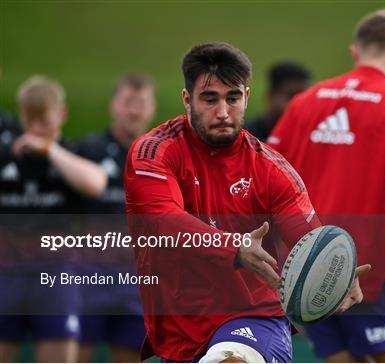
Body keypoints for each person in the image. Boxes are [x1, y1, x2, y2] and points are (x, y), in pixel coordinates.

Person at [124, 42, 370, 363]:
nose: (223, 112)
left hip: (255, 317)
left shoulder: (272, 169)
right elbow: (163, 221)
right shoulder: (153, 154)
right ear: (188, 100)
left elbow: (308, 239)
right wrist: (236, 248)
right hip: (177, 330)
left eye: (233, 98)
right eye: (210, 100)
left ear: (247, 97)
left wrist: (337, 272)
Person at [268, 9, 385, 363]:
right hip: (369, 276)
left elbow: (264, 172)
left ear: (355, 51)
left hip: (306, 271)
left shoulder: (303, 103)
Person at [0, 76, 106, 362]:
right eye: (29, 120)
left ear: (61, 115)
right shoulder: (7, 157)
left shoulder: (70, 154)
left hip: (55, 275)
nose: (35, 130)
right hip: (7, 275)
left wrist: (51, 150)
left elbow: (96, 183)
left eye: (43, 121)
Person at [74, 73, 156, 362]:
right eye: (127, 102)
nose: (134, 110)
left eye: (141, 102)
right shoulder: (86, 150)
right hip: (89, 280)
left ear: (152, 108)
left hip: (138, 285)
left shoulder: (162, 156)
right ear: (113, 105)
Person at [245, 61, 311, 141]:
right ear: (270, 97)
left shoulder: (311, 138)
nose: (299, 105)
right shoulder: (244, 138)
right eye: (291, 97)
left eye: (306, 99)